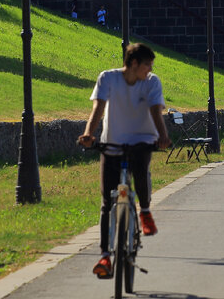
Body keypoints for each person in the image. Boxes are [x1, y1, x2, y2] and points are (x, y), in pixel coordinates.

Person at [78, 43, 171, 279]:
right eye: (146, 64)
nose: (149, 69)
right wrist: (89, 133)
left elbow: (154, 110)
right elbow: (98, 108)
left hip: (142, 140)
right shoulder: (108, 78)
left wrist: (162, 136)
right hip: (113, 142)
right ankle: (105, 256)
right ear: (133, 63)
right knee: (107, 201)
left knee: (140, 173)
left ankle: (146, 211)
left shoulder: (151, 82)